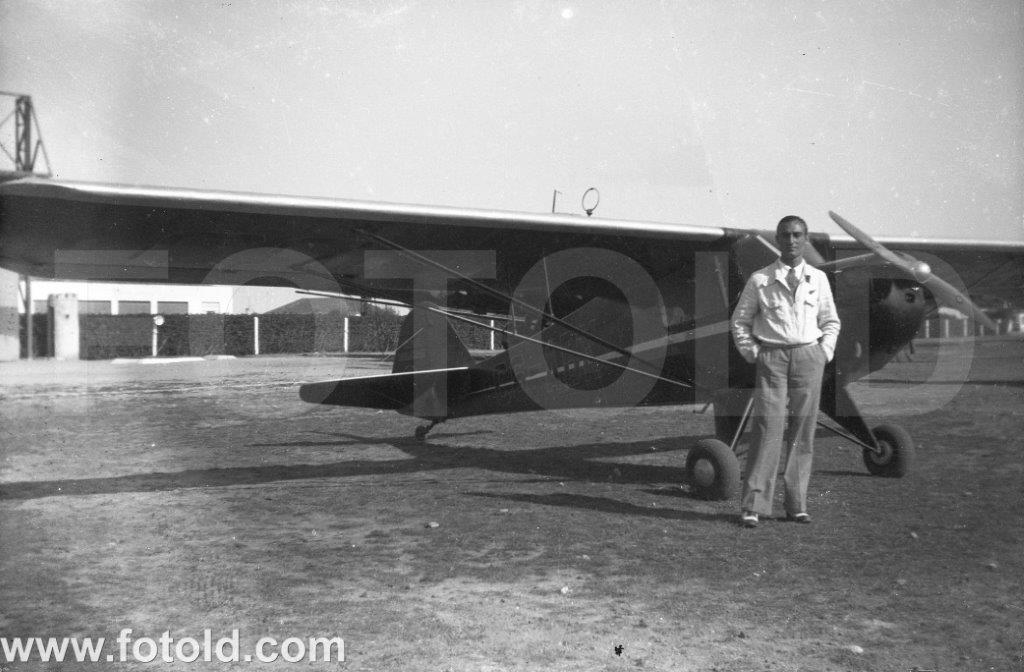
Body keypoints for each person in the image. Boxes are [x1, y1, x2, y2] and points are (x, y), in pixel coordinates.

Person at [730, 215, 841, 528]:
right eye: (786, 235)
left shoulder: (818, 279)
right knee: (767, 428)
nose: (791, 240)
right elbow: (740, 322)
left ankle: (796, 505)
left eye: (797, 234)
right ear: (777, 240)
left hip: (808, 357)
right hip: (772, 359)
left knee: (803, 432)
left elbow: (831, 321)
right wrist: (754, 353)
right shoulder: (760, 279)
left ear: (805, 239)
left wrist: (823, 352)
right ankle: (754, 506)